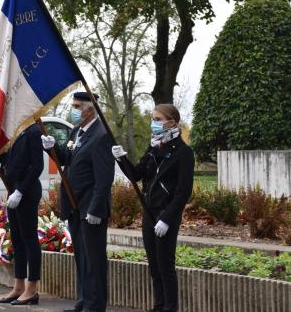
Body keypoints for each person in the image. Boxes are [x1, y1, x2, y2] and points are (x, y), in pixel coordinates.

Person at [111, 104, 194, 312]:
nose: (153, 123)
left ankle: (170, 308)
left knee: (166, 266)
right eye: (153, 119)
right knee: (154, 266)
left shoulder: (183, 152)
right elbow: (135, 175)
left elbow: (183, 191)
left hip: (166, 215)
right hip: (149, 213)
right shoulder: (153, 148)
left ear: (172, 123)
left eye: (158, 119)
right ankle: (158, 306)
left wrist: (167, 218)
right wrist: (121, 159)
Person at [41, 92, 114, 312]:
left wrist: (96, 208)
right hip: (74, 206)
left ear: (90, 109)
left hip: (91, 208)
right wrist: (52, 148)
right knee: (82, 259)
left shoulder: (102, 136)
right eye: (73, 105)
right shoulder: (76, 132)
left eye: (77, 106)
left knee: (94, 260)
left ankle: (95, 305)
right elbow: (66, 159)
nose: (73, 109)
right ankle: (84, 301)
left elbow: (104, 178)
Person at [0, 122, 43, 306]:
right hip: (13, 189)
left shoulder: (33, 131)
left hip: (27, 191)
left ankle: (32, 289)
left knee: (29, 239)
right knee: (17, 239)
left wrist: (21, 190)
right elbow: (16, 159)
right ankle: (18, 286)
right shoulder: (17, 130)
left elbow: (36, 166)